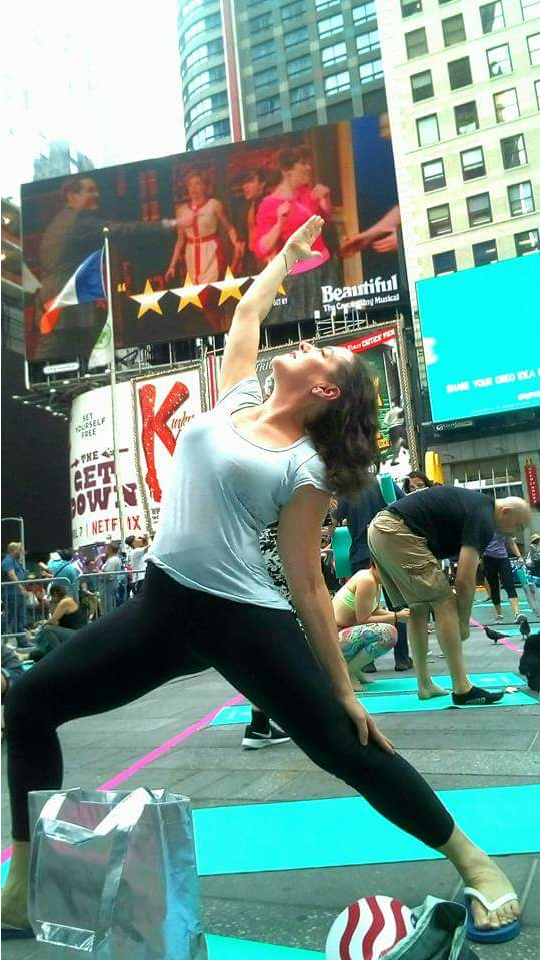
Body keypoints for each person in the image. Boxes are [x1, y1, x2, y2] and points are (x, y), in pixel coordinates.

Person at [2, 219, 521, 941]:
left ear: (328, 393)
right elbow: (247, 312)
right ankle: (26, 883)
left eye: (322, 353)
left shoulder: (304, 467)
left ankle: (476, 865)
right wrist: (283, 255)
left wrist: (342, 688)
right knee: (28, 705)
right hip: (162, 604)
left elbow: (308, 584)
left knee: (344, 745)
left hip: (244, 618)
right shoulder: (237, 401)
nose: (303, 345)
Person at [368, 487, 531, 705]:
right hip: (397, 531)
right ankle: (462, 687)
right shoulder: (484, 517)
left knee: (419, 607)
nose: (515, 533)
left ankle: (424, 684)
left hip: (380, 529)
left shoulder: (476, 506)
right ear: (506, 512)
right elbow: (465, 579)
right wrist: (463, 622)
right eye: (518, 526)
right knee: (443, 600)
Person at [32, 176, 182, 363]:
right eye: (90, 190)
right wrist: (167, 224)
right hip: (70, 299)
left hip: (54, 296)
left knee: (64, 351)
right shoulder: (79, 220)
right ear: (72, 196)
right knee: (73, 350)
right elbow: (120, 230)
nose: (97, 195)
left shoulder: (56, 223)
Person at [252, 148, 340, 319]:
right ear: (287, 170)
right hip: (299, 280)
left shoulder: (307, 193)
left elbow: (325, 219)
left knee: (335, 324)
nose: (309, 168)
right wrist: (279, 222)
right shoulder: (268, 204)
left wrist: (326, 200)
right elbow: (262, 248)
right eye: (303, 164)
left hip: (326, 270)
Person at [334, 478, 412, 671]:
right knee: (397, 605)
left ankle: (366, 660)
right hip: (385, 551)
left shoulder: (347, 489)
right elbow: (405, 506)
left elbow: (336, 519)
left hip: (360, 553)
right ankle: (401, 658)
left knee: (361, 607)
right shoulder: (385, 483)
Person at [165, 171, 243, 284]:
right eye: (190, 185)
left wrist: (237, 246)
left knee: (210, 291)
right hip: (191, 254)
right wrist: (172, 265)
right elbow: (180, 240)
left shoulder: (214, 205)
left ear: (204, 186)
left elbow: (229, 228)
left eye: (197, 183)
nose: (194, 188)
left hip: (211, 253)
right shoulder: (181, 211)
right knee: (197, 293)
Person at [333, 565, 401, 689]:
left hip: (341, 634)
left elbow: (374, 611)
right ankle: (349, 673)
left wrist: (399, 615)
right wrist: (396, 616)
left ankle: (355, 669)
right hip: (335, 637)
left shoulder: (374, 580)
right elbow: (363, 619)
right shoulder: (367, 581)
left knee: (387, 626)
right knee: (388, 633)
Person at [33, 583, 86, 657]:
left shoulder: (65, 601)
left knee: (47, 629)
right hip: (72, 632)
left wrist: (42, 624)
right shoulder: (65, 600)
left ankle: (59, 655)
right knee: (47, 646)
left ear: (55, 593)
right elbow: (56, 623)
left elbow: (53, 620)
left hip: (76, 634)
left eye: (52, 596)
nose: (52, 599)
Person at [482, 534, 523, 623]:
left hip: (503, 559)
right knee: (494, 587)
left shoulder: (503, 526)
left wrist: (519, 556)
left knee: (509, 585)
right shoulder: (484, 525)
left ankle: (517, 613)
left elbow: (511, 543)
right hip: (488, 559)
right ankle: (499, 615)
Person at [1, 543, 28, 638]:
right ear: (15, 550)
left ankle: (22, 642)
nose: (22, 553)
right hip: (12, 593)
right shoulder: (8, 561)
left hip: (17, 594)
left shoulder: (15, 561)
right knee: (9, 617)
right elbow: (11, 574)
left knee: (20, 618)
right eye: (21, 550)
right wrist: (21, 588)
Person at [99, 543, 123, 615]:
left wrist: (98, 572)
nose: (105, 550)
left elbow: (107, 574)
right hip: (110, 584)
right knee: (108, 604)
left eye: (106, 549)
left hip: (109, 584)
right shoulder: (113, 559)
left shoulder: (112, 560)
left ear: (110, 549)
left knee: (107, 605)